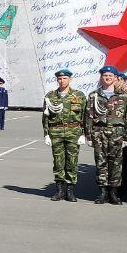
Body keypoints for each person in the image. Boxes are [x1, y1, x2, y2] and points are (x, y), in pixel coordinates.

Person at [83, 65, 127, 205]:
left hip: (117, 133)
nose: (107, 78)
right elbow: (88, 116)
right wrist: (88, 136)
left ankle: (114, 193)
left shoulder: (123, 96)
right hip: (99, 132)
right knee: (101, 163)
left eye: (110, 76)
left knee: (116, 164)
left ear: (115, 78)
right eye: (105, 76)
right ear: (101, 78)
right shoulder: (94, 95)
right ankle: (102, 193)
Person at [43, 69, 86, 201]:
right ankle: (59, 191)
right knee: (58, 162)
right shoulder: (50, 96)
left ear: (70, 79)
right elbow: (45, 117)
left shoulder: (79, 95)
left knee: (72, 162)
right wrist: (46, 134)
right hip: (56, 132)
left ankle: (70, 191)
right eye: (60, 79)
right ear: (57, 80)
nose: (62, 81)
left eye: (65, 78)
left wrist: (83, 134)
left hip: (73, 133)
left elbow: (84, 115)